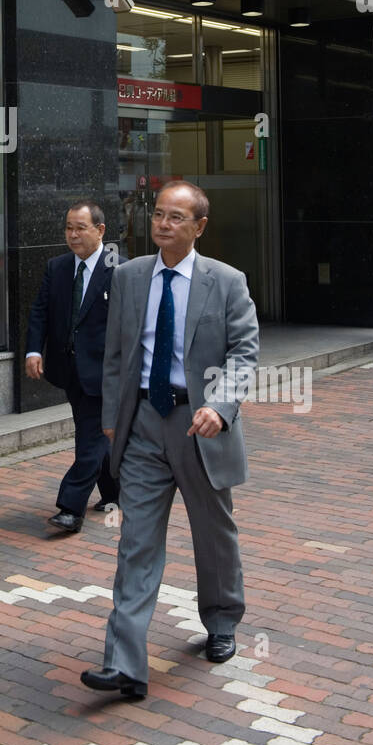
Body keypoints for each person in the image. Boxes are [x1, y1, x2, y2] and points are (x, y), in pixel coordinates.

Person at [81, 180, 259, 700]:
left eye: (176, 217)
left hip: (199, 424)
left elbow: (244, 355)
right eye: (158, 214)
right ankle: (124, 664)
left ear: (199, 226)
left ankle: (222, 621)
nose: (163, 224)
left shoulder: (226, 282)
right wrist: (114, 416)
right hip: (142, 427)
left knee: (213, 533)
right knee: (136, 541)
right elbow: (116, 354)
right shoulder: (132, 276)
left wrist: (220, 407)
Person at [25, 202, 123, 533]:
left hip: (105, 372)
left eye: (80, 227)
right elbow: (40, 311)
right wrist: (33, 351)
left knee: (91, 439)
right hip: (69, 369)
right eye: (68, 227)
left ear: (100, 230)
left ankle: (70, 507)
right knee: (92, 434)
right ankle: (115, 492)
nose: (73, 234)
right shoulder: (58, 267)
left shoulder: (120, 270)